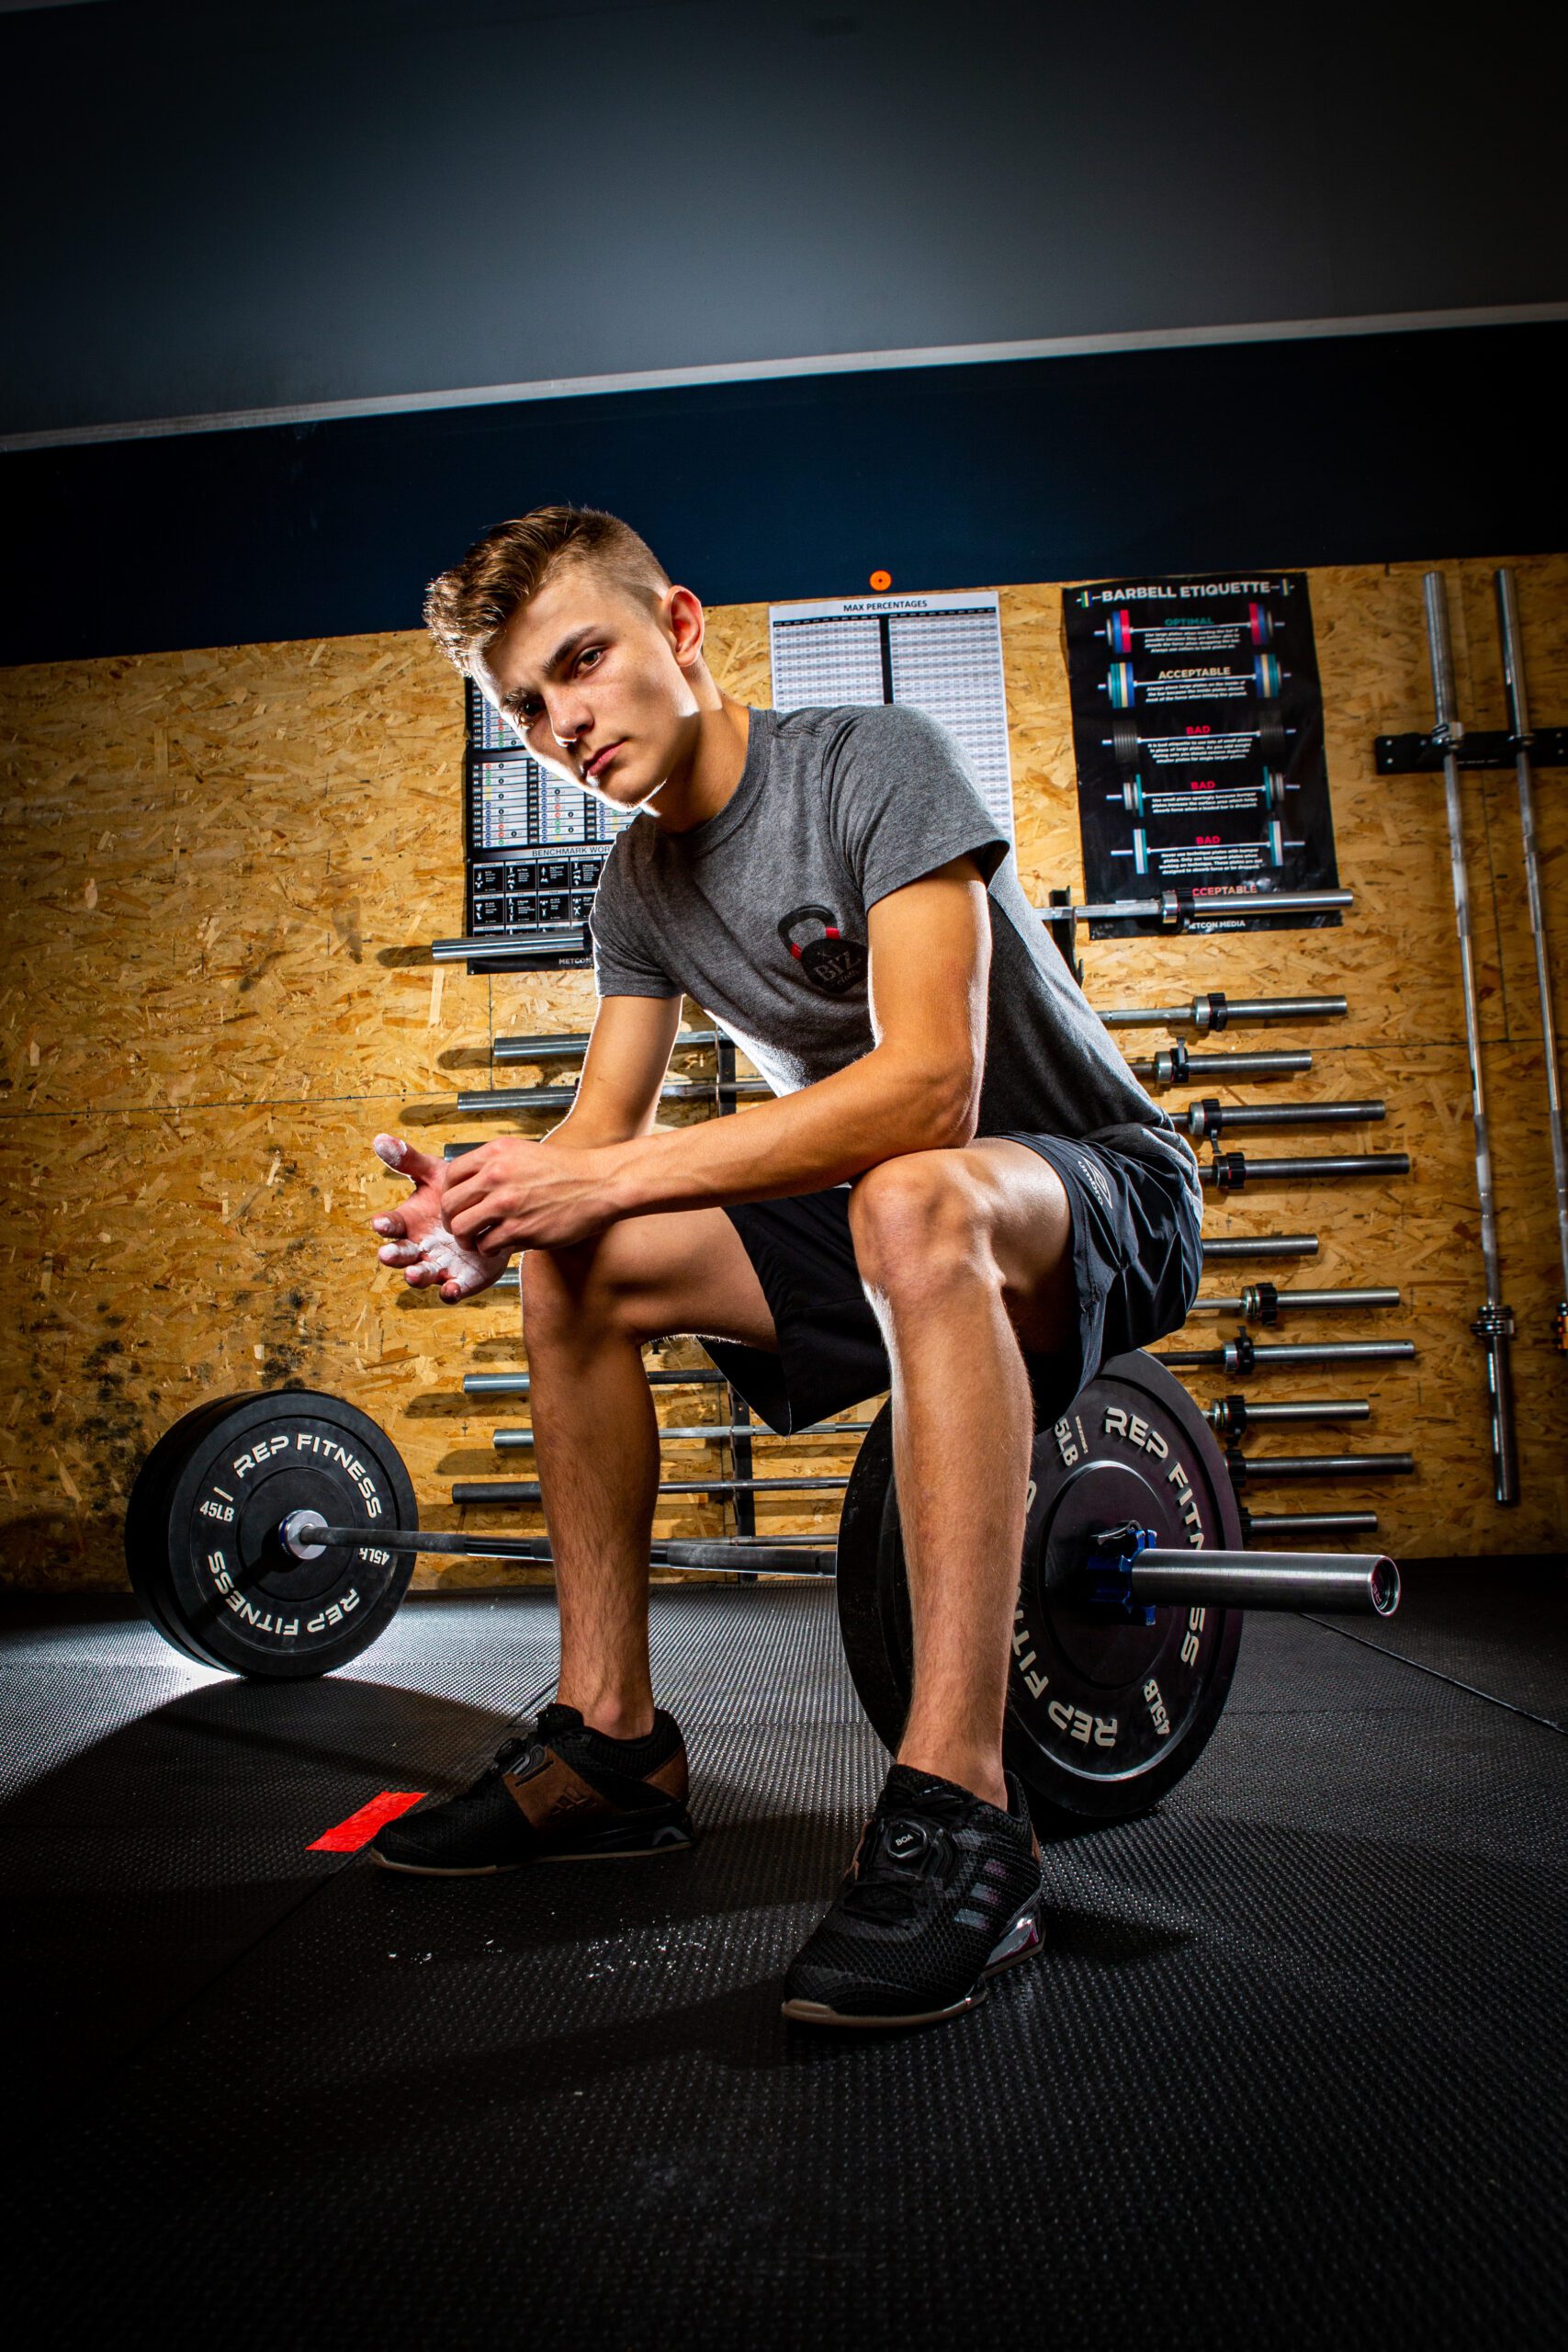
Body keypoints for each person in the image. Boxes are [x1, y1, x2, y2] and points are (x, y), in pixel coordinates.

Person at [366, 505, 1202, 2029]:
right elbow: (597, 1143)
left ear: (680, 630)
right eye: (527, 708)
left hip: (1098, 1190)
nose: (565, 725)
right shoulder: (637, 891)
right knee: (584, 1266)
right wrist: (491, 1216)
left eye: (584, 664)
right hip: (909, 1204)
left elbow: (931, 1090)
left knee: (908, 1194)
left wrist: (592, 1177)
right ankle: (613, 1741)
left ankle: (966, 1810)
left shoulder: (870, 760)